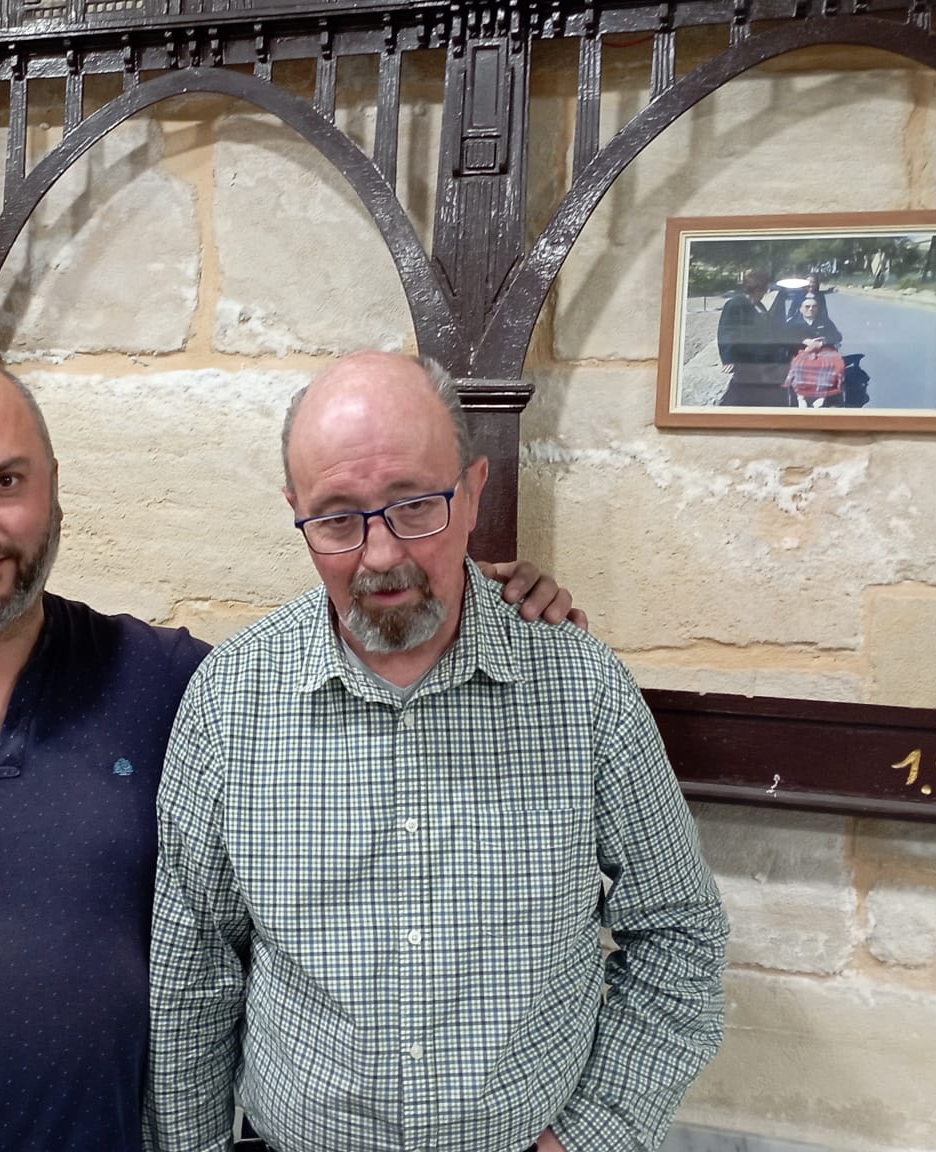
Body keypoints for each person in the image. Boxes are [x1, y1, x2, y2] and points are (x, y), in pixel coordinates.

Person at [0, 355, 583, 1152]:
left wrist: (479, 596)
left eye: (4, 480)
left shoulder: (174, 687)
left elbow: (358, 664)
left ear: (53, 491)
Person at [149, 352, 729, 1152]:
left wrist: (594, 1135)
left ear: (474, 490)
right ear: (296, 512)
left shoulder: (582, 691)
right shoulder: (229, 703)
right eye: (338, 517)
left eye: (415, 504)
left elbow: (679, 932)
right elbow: (193, 979)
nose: (381, 554)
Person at [716, 267, 795, 407]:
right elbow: (727, 331)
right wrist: (729, 358)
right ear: (758, 289)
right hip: (748, 360)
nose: (765, 293)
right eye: (764, 289)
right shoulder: (735, 304)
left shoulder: (758, 305)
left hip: (764, 360)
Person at [783, 294, 849, 408]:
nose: (810, 309)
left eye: (814, 307)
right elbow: (785, 337)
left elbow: (837, 336)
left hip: (824, 350)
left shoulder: (824, 321)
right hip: (801, 351)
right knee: (800, 365)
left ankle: (822, 396)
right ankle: (801, 396)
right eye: (807, 306)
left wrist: (821, 342)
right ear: (800, 309)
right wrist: (804, 340)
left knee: (832, 365)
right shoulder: (793, 323)